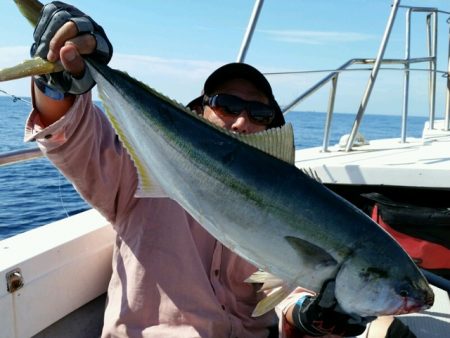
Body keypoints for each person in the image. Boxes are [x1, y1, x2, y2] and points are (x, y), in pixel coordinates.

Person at [25, 2, 376, 337]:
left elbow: (288, 289)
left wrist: (309, 314)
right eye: (227, 104)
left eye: (259, 115)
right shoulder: (140, 171)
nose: (241, 121)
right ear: (199, 111)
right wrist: (57, 81)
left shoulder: (291, 208)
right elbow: (73, 137)